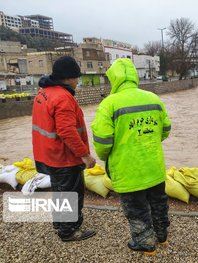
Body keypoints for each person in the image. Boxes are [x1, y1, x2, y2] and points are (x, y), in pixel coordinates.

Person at [91, 58, 171, 255]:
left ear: (113, 79)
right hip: (154, 166)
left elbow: (102, 143)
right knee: (158, 203)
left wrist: (108, 157)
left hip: (129, 170)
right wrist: (148, 140)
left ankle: (145, 244)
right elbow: (166, 130)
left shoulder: (109, 104)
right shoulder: (153, 98)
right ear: (134, 76)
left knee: (136, 209)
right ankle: (162, 237)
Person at [32, 55, 97, 242]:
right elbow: (67, 131)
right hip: (64, 157)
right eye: (77, 77)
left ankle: (60, 223)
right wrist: (85, 155)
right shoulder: (63, 98)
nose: (78, 81)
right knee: (71, 193)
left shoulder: (43, 93)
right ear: (68, 78)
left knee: (60, 190)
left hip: (48, 154)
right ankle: (69, 231)